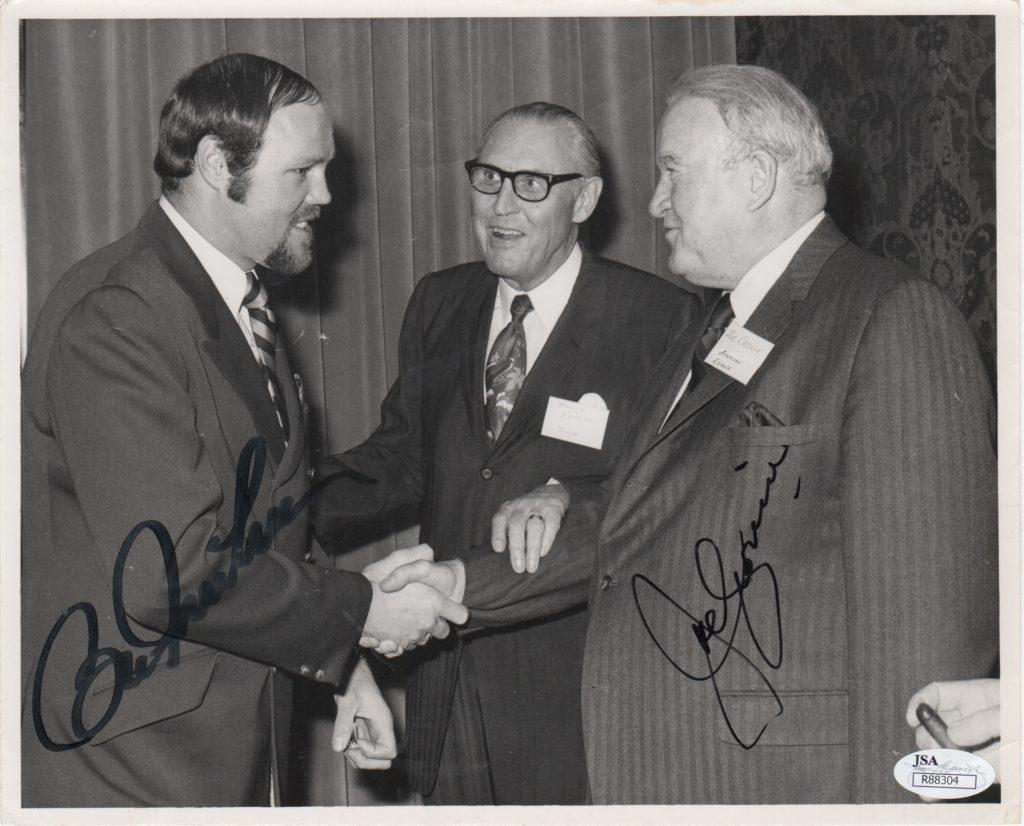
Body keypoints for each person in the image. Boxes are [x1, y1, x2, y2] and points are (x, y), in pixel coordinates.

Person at [378, 64, 999, 803]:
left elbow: (923, 658)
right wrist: (458, 583)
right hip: (667, 778)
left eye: (674, 173)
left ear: (758, 177)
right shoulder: (713, 326)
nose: (655, 202)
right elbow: (637, 518)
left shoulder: (888, 319)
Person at [20, 53, 466, 807]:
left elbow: (266, 522)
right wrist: (359, 608)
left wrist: (345, 662)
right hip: (133, 762)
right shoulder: (119, 315)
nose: (327, 195)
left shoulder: (231, 300)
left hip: (218, 740)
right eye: (304, 172)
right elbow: (168, 572)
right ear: (218, 164)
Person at [315, 102, 696, 804]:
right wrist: (282, 503)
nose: (499, 206)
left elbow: (669, 494)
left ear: (583, 198)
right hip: (445, 685)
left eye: (530, 184)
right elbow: (401, 462)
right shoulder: (440, 302)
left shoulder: (659, 321)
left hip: (572, 699)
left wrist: (569, 496)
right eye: (488, 178)